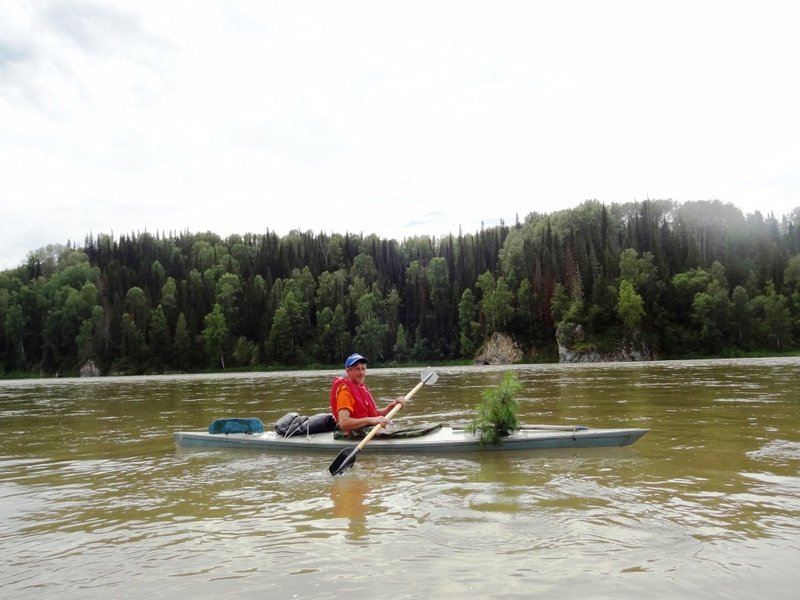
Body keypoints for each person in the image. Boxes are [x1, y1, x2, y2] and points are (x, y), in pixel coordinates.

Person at [330, 353, 405, 434]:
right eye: (357, 369)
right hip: (354, 435)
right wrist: (369, 420)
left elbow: (376, 414)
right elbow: (343, 423)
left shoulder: (363, 388)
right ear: (348, 371)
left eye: (363, 368)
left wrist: (393, 406)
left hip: (366, 431)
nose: (361, 372)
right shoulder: (345, 392)